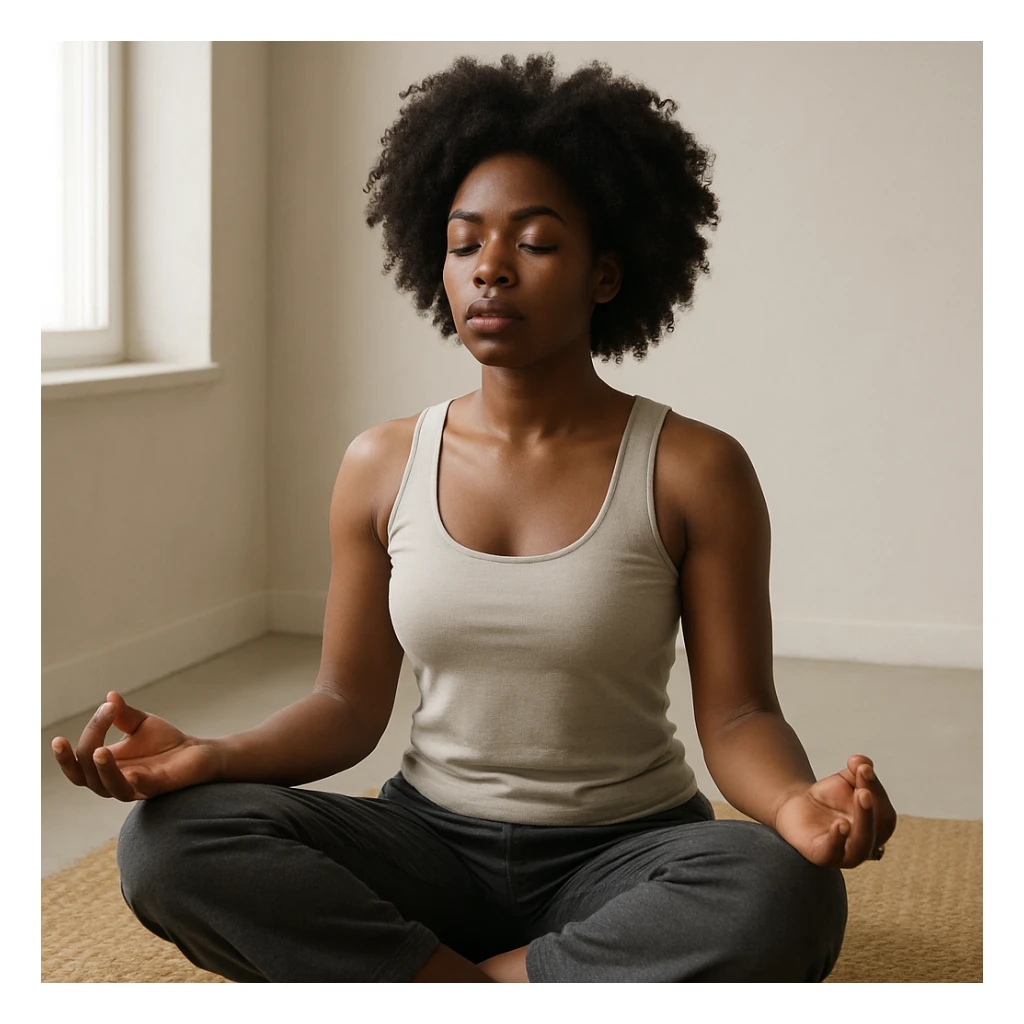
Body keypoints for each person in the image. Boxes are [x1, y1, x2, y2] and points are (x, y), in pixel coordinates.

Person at [50, 52, 897, 983]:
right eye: (464, 244)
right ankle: (529, 983)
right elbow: (346, 706)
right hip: (428, 847)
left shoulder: (696, 468)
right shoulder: (381, 464)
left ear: (606, 274)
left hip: (625, 852)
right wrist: (213, 756)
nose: (491, 269)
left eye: (535, 244)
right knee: (168, 841)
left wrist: (795, 804)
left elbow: (738, 714)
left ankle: (443, 985)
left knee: (786, 889)